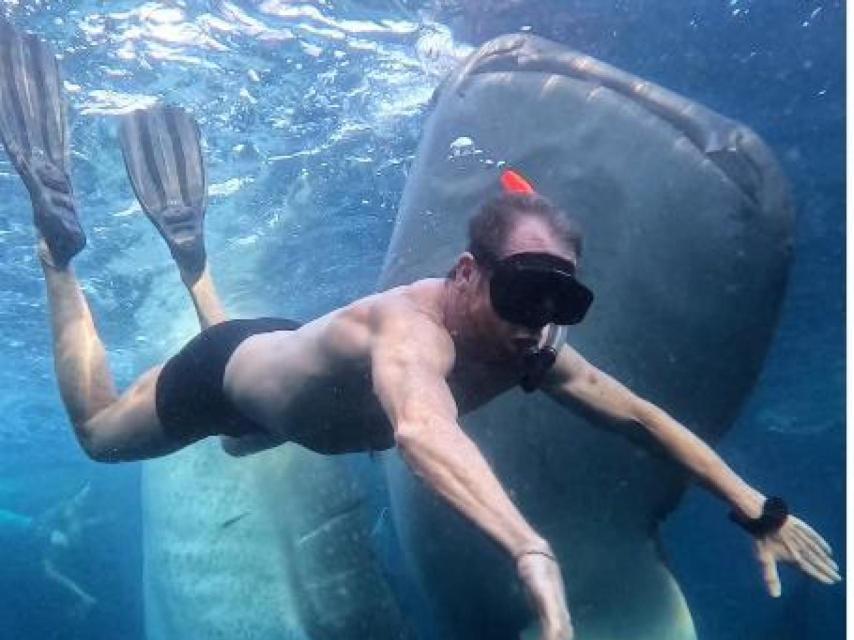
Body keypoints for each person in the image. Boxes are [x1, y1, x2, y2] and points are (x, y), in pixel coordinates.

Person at [0, 21, 839, 640]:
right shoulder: (413, 337)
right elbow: (419, 429)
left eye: (560, 304)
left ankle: (193, 258)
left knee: (255, 434)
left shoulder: (530, 342)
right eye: (519, 295)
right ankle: (57, 248)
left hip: (285, 378)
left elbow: (642, 419)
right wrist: (530, 555)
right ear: (466, 273)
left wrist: (754, 507)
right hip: (228, 371)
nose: (536, 325)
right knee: (102, 435)